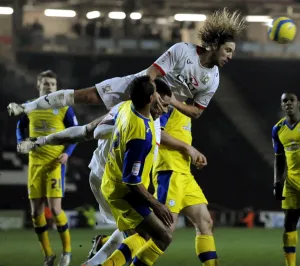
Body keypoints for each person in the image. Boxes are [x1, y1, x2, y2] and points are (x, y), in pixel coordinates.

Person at [7, 8, 245, 122]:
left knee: (99, 130)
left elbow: (197, 112)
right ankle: (28, 107)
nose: (230, 56)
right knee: (87, 97)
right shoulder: (183, 50)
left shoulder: (213, 79)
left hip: (157, 113)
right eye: (227, 50)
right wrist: (151, 96)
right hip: (137, 87)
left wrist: (171, 102)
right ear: (214, 45)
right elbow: (152, 74)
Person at [16, 70, 78, 266]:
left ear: (56, 87)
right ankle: (48, 255)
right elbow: (20, 127)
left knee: (55, 209)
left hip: (54, 164)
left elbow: (75, 133)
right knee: (35, 213)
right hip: (35, 163)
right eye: (45, 83)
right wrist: (21, 142)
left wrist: (67, 153)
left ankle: (67, 252)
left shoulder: (64, 107)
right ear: (39, 86)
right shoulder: (30, 106)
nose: (49, 86)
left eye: (52, 83)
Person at [153, 106, 216, 265]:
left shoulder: (186, 110)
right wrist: (189, 148)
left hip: (185, 174)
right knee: (164, 231)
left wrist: (192, 155)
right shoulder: (167, 104)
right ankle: (111, 249)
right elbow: (156, 132)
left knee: (205, 222)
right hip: (169, 170)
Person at [272, 92, 300, 266]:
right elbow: (279, 158)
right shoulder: (278, 128)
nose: (288, 103)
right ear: (282, 106)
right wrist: (277, 182)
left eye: (292, 100)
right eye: (285, 101)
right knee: (289, 224)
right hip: (291, 182)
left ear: (298, 104)